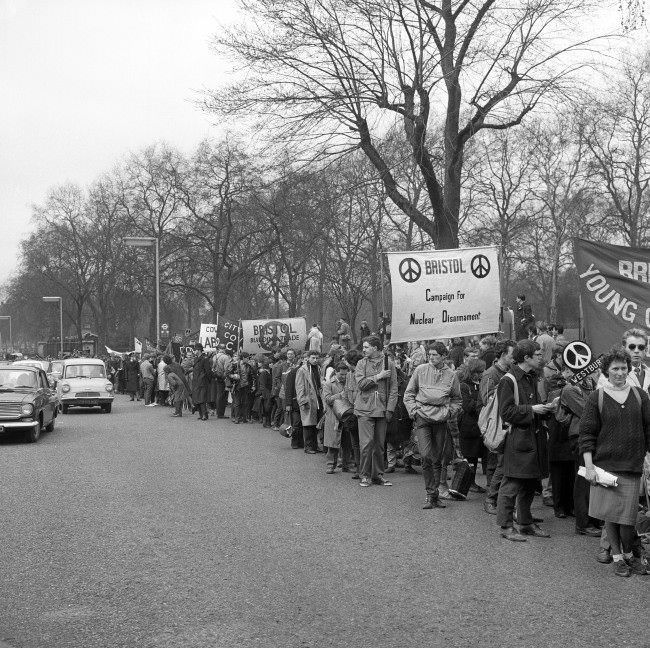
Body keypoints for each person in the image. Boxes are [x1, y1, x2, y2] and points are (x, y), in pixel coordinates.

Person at [579, 347, 650, 577]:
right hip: (605, 467)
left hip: (632, 465)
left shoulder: (641, 395)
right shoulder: (596, 397)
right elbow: (587, 434)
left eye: (623, 368)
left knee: (628, 518)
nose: (620, 372)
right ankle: (619, 557)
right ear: (606, 371)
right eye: (615, 368)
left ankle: (629, 553)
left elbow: (649, 432)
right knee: (611, 516)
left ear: (628, 369)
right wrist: (589, 467)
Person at [496, 340, 554, 542]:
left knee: (530, 482)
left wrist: (546, 408)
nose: (541, 357)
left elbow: (532, 406)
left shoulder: (531, 377)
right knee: (511, 483)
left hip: (533, 437)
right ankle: (506, 526)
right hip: (518, 439)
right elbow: (506, 412)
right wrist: (532, 410)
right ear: (527, 357)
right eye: (538, 354)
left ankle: (525, 523)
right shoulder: (508, 380)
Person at [403, 341, 462, 508]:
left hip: (441, 419)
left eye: (435, 355)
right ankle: (430, 493)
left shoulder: (451, 375)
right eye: (430, 355)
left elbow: (457, 399)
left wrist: (449, 412)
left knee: (438, 458)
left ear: (444, 356)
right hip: (422, 417)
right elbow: (409, 394)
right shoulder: (420, 370)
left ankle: (434, 495)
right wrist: (414, 411)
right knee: (426, 455)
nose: (431, 358)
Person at [354, 335, 397, 487]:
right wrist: (378, 376)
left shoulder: (389, 363)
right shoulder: (361, 363)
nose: (363, 350)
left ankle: (377, 475)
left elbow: (393, 388)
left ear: (375, 348)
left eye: (366, 347)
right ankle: (364, 475)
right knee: (366, 444)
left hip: (382, 408)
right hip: (364, 408)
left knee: (379, 445)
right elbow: (361, 384)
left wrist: (390, 408)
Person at [458, 357, 487, 493]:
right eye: (481, 370)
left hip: (481, 425)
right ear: (474, 371)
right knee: (470, 456)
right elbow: (468, 406)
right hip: (469, 426)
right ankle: (468, 483)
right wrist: (483, 404)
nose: (483, 372)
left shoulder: (482, 383)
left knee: (479, 454)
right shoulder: (464, 385)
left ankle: (474, 482)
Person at [322, 362, 351, 473]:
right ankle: (330, 465)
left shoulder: (349, 382)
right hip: (334, 416)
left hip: (347, 415)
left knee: (347, 443)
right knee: (332, 443)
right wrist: (341, 395)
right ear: (336, 372)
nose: (344, 377)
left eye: (345, 375)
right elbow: (328, 399)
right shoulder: (328, 384)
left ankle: (345, 465)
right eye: (341, 375)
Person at [295, 351, 324, 453]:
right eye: (313, 358)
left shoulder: (318, 368)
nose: (315, 360)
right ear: (308, 358)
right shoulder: (302, 370)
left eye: (317, 358)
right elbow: (299, 386)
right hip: (308, 399)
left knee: (316, 423)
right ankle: (308, 447)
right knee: (308, 423)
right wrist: (302, 400)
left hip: (318, 399)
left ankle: (315, 446)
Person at [191, 343, 212, 421]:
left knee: (202, 398)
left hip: (202, 381)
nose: (194, 351)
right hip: (196, 381)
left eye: (195, 349)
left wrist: (208, 380)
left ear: (199, 350)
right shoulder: (196, 358)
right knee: (197, 398)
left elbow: (208, 371)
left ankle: (205, 415)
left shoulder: (205, 359)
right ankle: (200, 414)